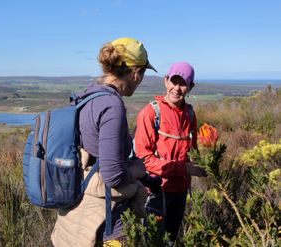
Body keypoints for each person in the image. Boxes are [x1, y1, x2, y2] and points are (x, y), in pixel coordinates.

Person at [51, 37, 157, 247]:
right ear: (136, 73)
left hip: (76, 208)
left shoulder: (88, 95)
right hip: (105, 219)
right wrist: (139, 171)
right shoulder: (111, 105)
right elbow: (112, 175)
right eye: (143, 73)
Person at [134, 61, 207, 242]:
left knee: (171, 240)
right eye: (173, 81)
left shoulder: (190, 114)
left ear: (191, 87)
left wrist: (206, 166)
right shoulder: (151, 113)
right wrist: (184, 169)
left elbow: (193, 153)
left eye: (182, 83)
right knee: (152, 240)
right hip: (155, 192)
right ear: (166, 81)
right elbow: (144, 159)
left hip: (180, 193)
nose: (176, 88)